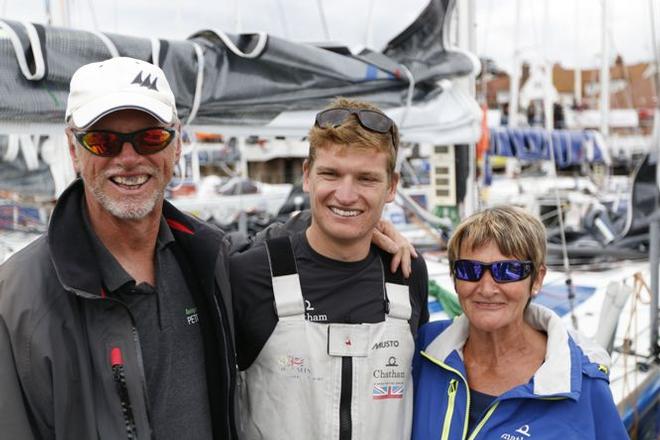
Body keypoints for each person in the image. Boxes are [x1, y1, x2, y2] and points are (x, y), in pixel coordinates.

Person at [0, 57, 415, 440]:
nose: (128, 158)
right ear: (74, 149)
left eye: (150, 137)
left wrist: (357, 226)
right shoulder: (19, 299)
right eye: (104, 142)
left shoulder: (207, 261)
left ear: (176, 144)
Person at [231, 98, 429, 439]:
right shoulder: (249, 275)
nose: (346, 194)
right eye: (331, 174)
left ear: (392, 186)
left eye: (366, 179)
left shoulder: (407, 272)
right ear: (307, 176)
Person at [411, 206, 628, 439]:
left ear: (537, 279)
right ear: (454, 278)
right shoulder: (424, 351)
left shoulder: (584, 387)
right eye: (469, 269)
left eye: (508, 271)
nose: (486, 288)